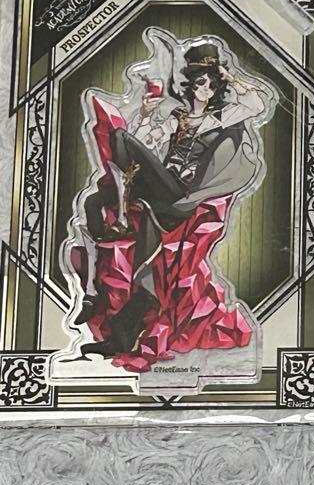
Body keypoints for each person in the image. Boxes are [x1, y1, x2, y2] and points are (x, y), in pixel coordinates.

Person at [70, 40, 274, 366]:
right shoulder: (176, 117)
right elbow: (146, 141)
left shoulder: (220, 118)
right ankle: (111, 320)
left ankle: (124, 207)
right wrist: (146, 115)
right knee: (99, 207)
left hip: (181, 196)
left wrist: (229, 76)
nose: (205, 89)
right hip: (159, 190)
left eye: (211, 84)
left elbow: (257, 104)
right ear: (190, 85)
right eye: (200, 82)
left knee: (121, 140)